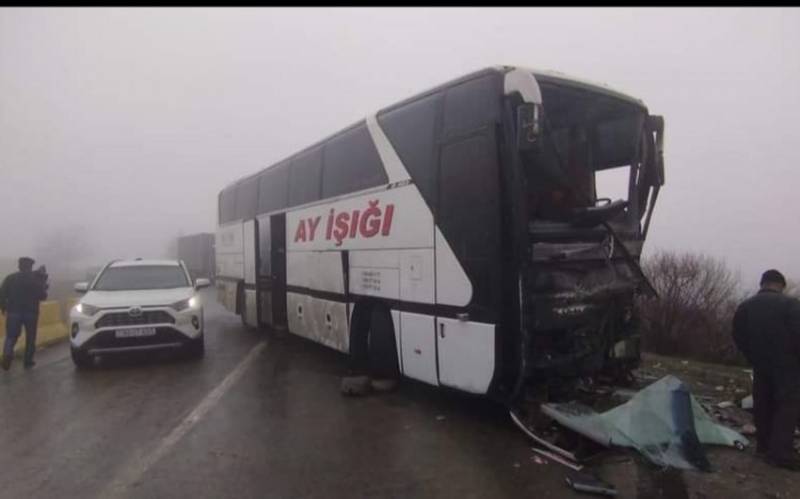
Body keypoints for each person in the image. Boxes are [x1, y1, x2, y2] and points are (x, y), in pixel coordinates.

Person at [732, 269, 800, 470]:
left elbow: (738, 335)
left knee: (763, 403)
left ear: (762, 284)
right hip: (788, 365)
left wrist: (753, 356)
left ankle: (764, 446)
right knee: (787, 406)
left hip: (760, 363)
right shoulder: (791, 305)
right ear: (780, 285)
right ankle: (780, 454)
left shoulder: (745, 306)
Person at [0, 257, 48, 370]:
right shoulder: (35, 279)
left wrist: (3, 307)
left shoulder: (10, 278)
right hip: (31, 313)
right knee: (31, 337)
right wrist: (44, 285)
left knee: (11, 336)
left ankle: (7, 355)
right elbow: (43, 296)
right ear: (30, 266)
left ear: (19, 266)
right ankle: (28, 361)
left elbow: (1, 294)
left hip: (13, 312)